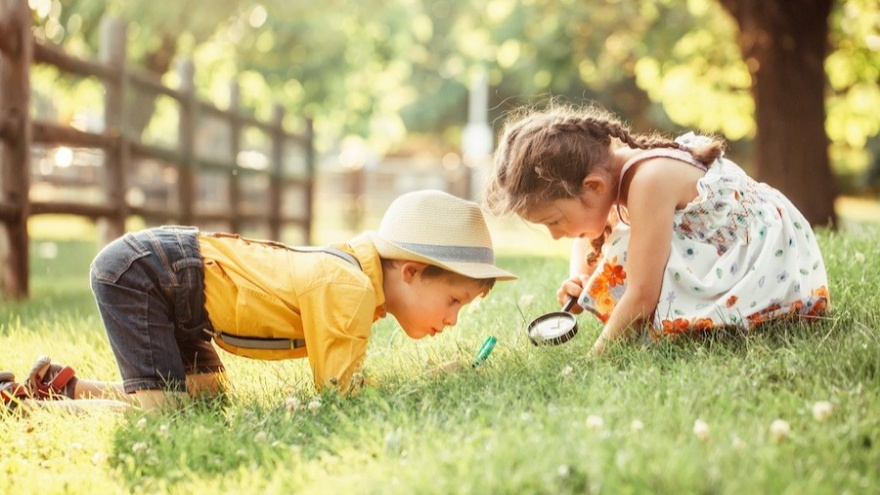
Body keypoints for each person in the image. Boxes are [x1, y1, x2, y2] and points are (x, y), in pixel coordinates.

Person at [1, 190, 516, 413]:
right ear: (410, 272)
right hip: (151, 272)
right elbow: (341, 393)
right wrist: (428, 382)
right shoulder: (350, 287)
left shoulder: (359, 281)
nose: (453, 319)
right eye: (454, 300)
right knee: (166, 415)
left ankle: (62, 388)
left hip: (181, 283)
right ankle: (23, 405)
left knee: (206, 398)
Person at [484, 103, 829, 356]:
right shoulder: (615, 174)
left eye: (554, 221)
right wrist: (580, 277)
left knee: (627, 254)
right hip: (742, 245)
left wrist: (596, 358)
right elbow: (590, 235)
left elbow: (641, 295)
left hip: (768, 262)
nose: (556, 235)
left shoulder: (649, 182)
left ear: (593, 186)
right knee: (622, 245)